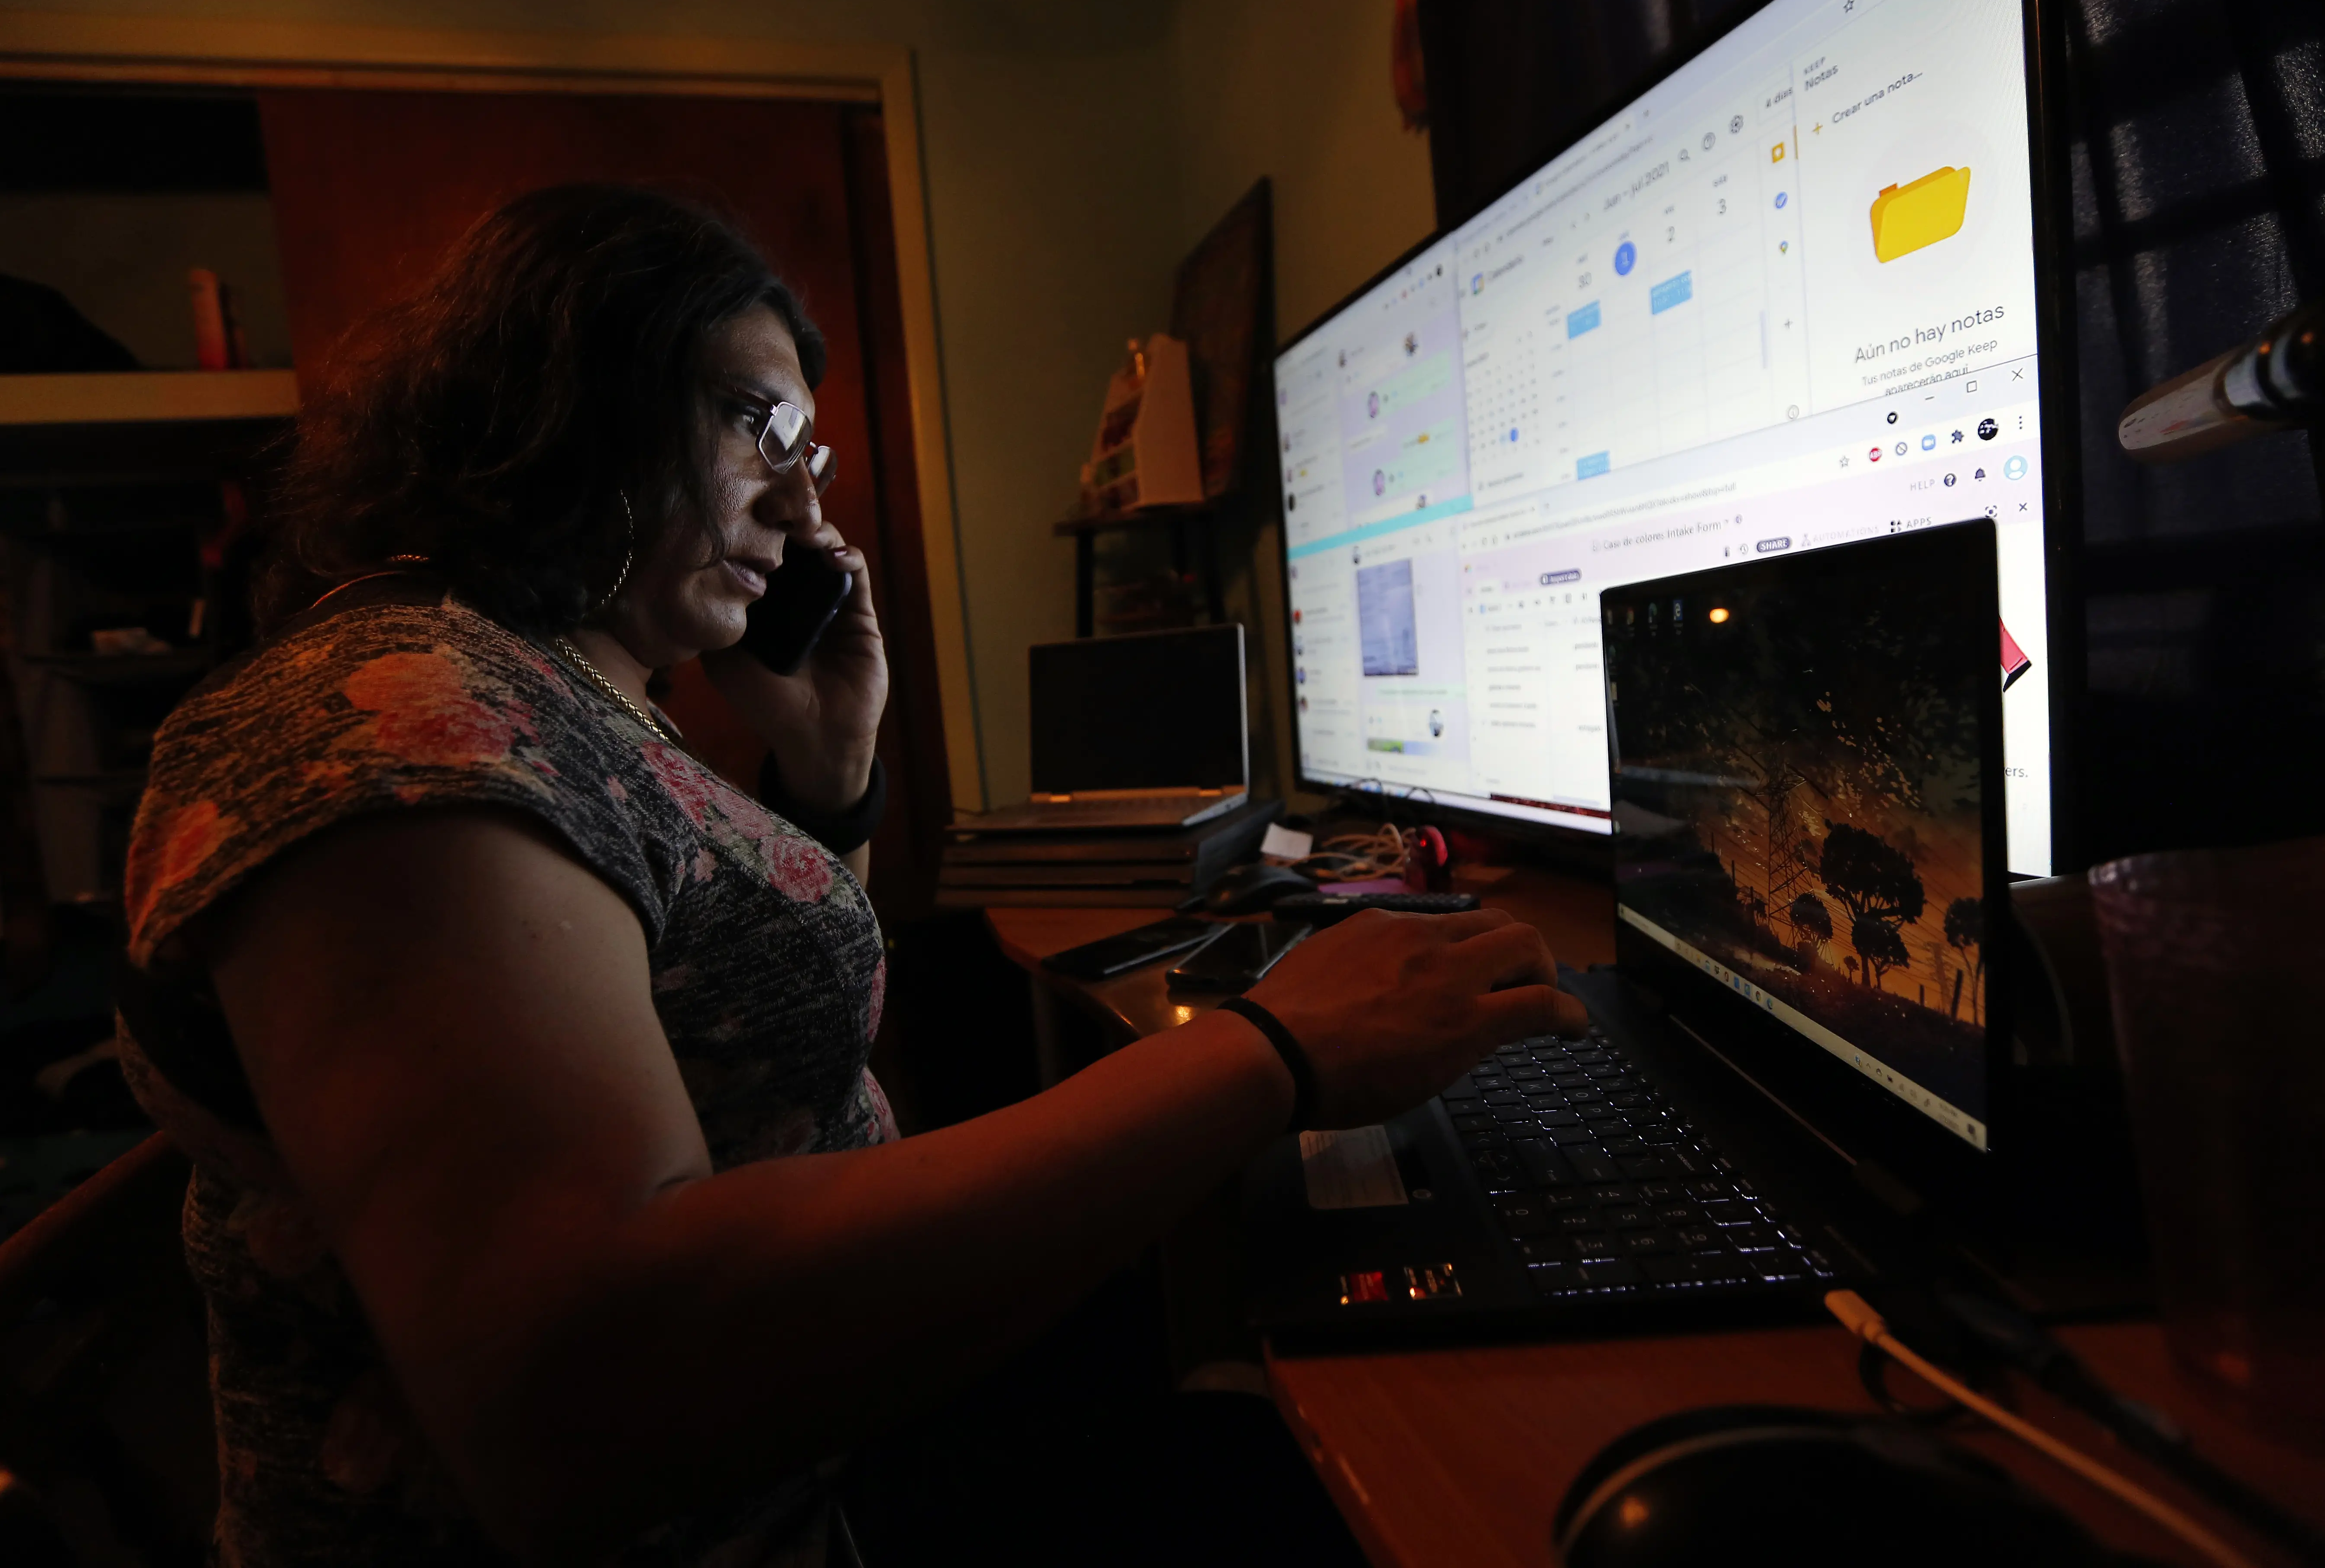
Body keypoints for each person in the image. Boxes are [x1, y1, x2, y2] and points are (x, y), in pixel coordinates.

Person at [115, 183, 1582, 1566]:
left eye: (807, 460)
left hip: (839, 1406)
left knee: (1267, 1322)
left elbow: (733, 1025)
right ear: (570, 395)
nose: (805, 514)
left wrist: (829, 770)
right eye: (756, 427)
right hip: (775, 1513)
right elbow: (579, 1401)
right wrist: (1274, 1051)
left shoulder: (565, 692)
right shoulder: (401, 730)